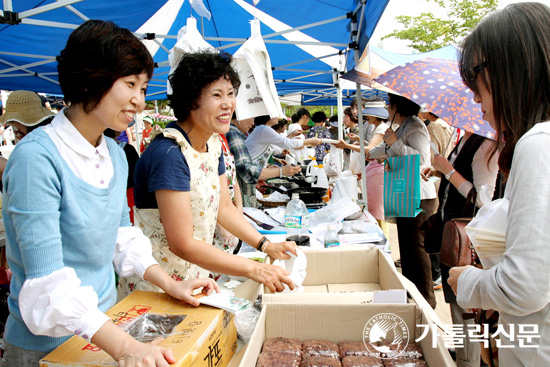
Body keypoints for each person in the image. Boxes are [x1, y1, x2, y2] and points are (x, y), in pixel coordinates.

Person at [0, 20, 219, 367]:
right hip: (44, 347)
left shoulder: (115, 154)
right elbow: (47, 287)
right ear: (92, 77)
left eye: (144, 88)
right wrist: (124, 347)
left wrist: (170, 284)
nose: (139, 100)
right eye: (131, 84)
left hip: (101, 332)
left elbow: (123, 238)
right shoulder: (36, 159)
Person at [119, 50, 298, 298]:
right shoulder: (169, 154)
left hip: (191, 279)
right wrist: (253, 268)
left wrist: (266, 244)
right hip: (155, 288)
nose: (228, 104)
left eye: (231, 94)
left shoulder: (213, 144)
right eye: (217, 95)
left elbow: (224, 208)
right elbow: (182, 243)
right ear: (191, 101)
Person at [448, 3, 550, 365]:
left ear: (512, 68)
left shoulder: (538, 144)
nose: (475, 97)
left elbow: (524, 287)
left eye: (476, 76)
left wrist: (467, 282)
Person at [368, 93, 438, 308]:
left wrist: (395, 143)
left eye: (389, 105)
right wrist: (372, 150)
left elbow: (422, 160)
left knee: (417, 249)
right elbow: (380, 151)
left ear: (397, 107)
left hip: (419, 195)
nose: (387, 109)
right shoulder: (403, 126)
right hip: (405, 193)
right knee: (407, 249)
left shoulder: (415, 126)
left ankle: (426, 300)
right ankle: (413, 295)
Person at [334, 100, 390, 239]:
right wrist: (359, 140)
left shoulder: (381, 129)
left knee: (378, 211)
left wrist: (347, 145)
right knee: (374, 210)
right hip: (373, 170)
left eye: (368, 115)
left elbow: (371, 150)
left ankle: (384, 241)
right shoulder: (378, 128)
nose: (365, 117)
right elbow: (373, 147)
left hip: (378, 171)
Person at [246, 114, 320, 170]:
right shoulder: (264, 129)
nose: (278, 117)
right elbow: (286, 143)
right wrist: (310, 141)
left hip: (255, 170)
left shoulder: (263, 129)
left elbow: (278, 148)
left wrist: (292, 135)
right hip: (251, 170)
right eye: (275, 114)